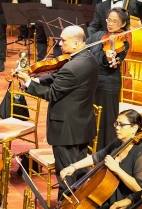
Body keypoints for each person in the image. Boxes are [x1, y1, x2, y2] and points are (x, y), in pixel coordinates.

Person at [57, 109, 142, 209]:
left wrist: (117, 169)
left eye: (122, 125)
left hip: (126, 201)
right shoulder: (119, 144)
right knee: (81, 207)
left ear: (134, 128)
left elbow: (140, 187)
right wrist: (72, 167)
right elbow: (98, 156)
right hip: (109, 193)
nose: (117, 128)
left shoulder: (140, 153)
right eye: (116, 124)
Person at [15, 25, 98, 189]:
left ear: (75, 43)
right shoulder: (89, 59)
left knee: (66, 175)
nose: (59, 44)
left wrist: (29, 83)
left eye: (63, 41)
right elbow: (59, 77)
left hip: (66, 129)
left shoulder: (72, 67)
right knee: (80, 171)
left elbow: (52, 94)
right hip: (81, 124)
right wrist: (38, 80)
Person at [87, 8, 133, 147]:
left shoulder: (123, 44)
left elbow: (111, 65)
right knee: (91, 117)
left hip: (108, 85)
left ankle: (105, 151)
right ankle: (90, 147)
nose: (110, 24)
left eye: (115, 21)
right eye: (109, 20)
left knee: (106, 121)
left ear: (123, 24)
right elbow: (84, 46)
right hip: (93, 82)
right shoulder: (99, 35)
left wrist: (109, 58)